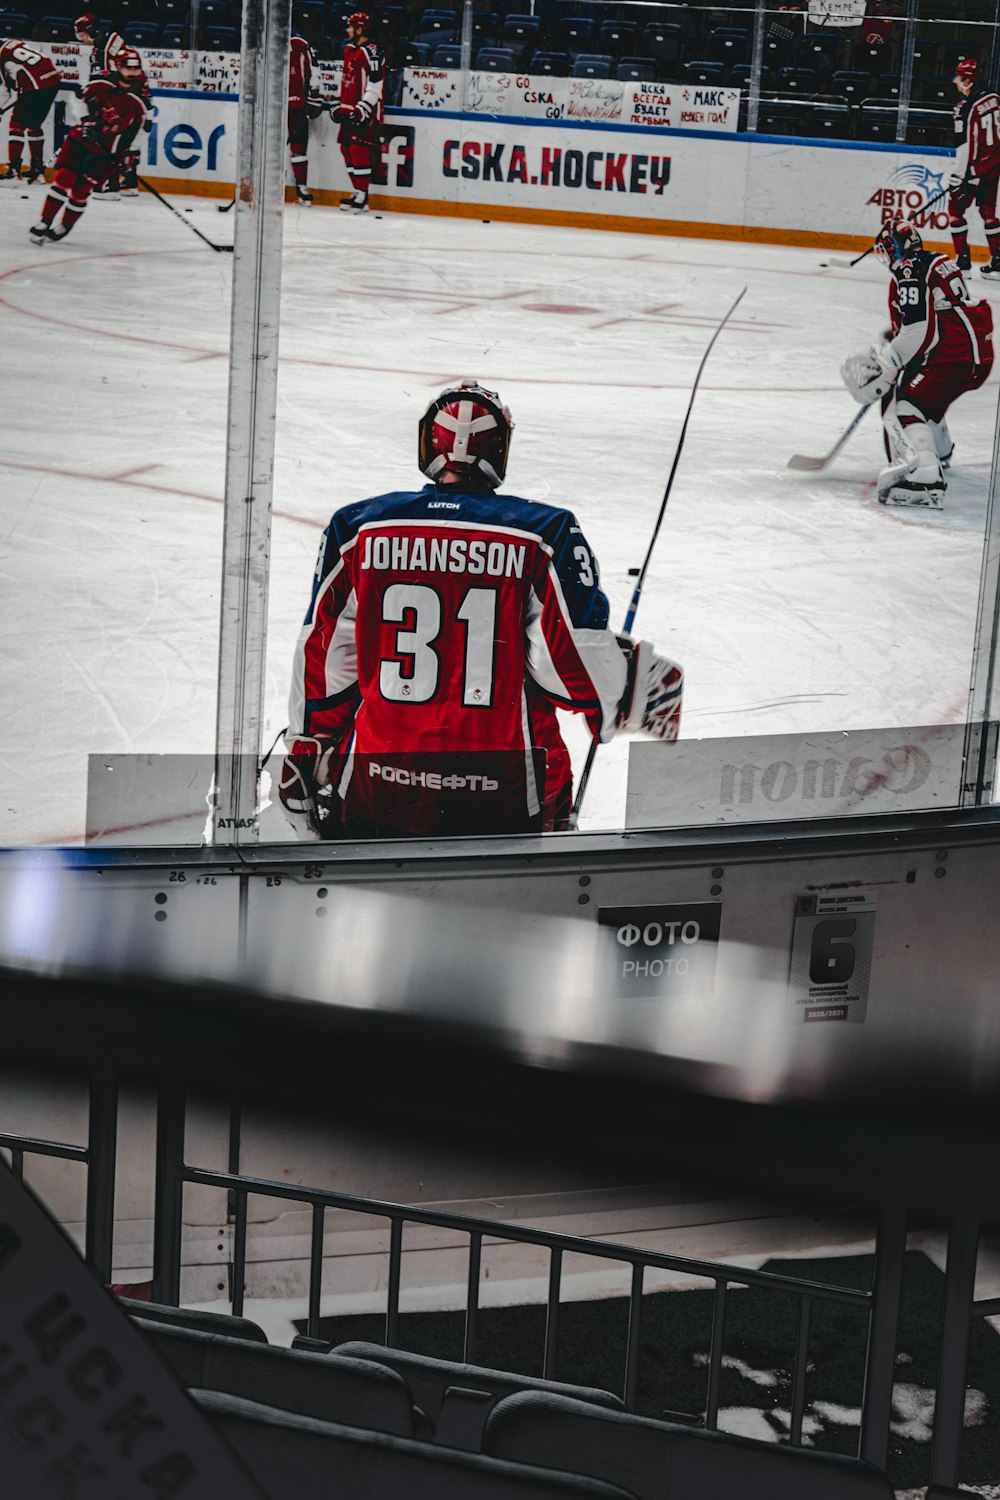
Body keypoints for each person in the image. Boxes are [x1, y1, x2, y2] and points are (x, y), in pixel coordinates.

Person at [279, 382, 684, 841]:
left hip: (379, 786)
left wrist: (306, 748)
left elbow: (326, 659)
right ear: (500, 452)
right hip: (507, 796)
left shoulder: (358, 528)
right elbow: (572, 667)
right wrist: (628, 687)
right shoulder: (545, 533)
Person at [840, 215, 994, 509]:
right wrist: (895, 344)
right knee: (923, 393)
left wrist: (891, 361)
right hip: (972, 353)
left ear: (896, 250)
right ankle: (938, 449)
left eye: (887, 251)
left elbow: (919, 329)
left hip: (952, 354)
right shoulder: (935, 260)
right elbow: (938, 313)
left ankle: (923, 477)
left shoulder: (910, 269)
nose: (887, 259)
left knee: (905, 403)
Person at [30, 47, 146, 243]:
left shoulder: (140, 97)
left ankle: (65, 226)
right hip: (81, 141)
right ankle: (45, 221)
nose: (132, 73)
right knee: (64, 178)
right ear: (118, 67)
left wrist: (131, 153)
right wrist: (86, 120)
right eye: (128, 68)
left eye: (136, 69)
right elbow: (77, 98)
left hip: (107, 153)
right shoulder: (100, 83)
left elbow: (140, 129)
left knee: (82, 190)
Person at [948, 57, 1000, 276]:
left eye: (959, 78)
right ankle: (997, 263)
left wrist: (958, 176)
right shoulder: (996, 98)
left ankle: (963, 262)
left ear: (968, 81)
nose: (955, 82)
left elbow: (964, 145)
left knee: (955, 210)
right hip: (994, 165)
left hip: (973, 169)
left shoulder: (965, 107)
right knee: (988, 211)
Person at [334, 10, 384, 215]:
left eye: (351, 26)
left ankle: (363, 196)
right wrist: (341, 104)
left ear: (361, 29)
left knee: (358, 149)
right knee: (346, 148)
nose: (348, 29)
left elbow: (375, 84)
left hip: (365, 111)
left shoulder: (371, 52)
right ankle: (358, 191)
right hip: (349, 110)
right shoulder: (350, 50)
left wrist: (363, 108)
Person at [0, 38, 61, 185]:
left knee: (16, 124)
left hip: (35, 85)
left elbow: (4, 91)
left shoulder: (1, 56)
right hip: (53, 79)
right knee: (34, 125)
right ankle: (37, 169)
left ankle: (14, 170)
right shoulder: (14, 42)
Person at [288, 32, 324, 206]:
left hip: (297, 107)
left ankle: (301, 187)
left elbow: (314, 70)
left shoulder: (300, 44)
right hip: (272, 107)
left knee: (299, 149)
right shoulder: (265, 41)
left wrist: (314, 94)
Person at [73, 13, 126, 85]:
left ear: (92, 32)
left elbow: (106, 78)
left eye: (82, 35)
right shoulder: (100, 44)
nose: (82, 40)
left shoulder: (107, 47)